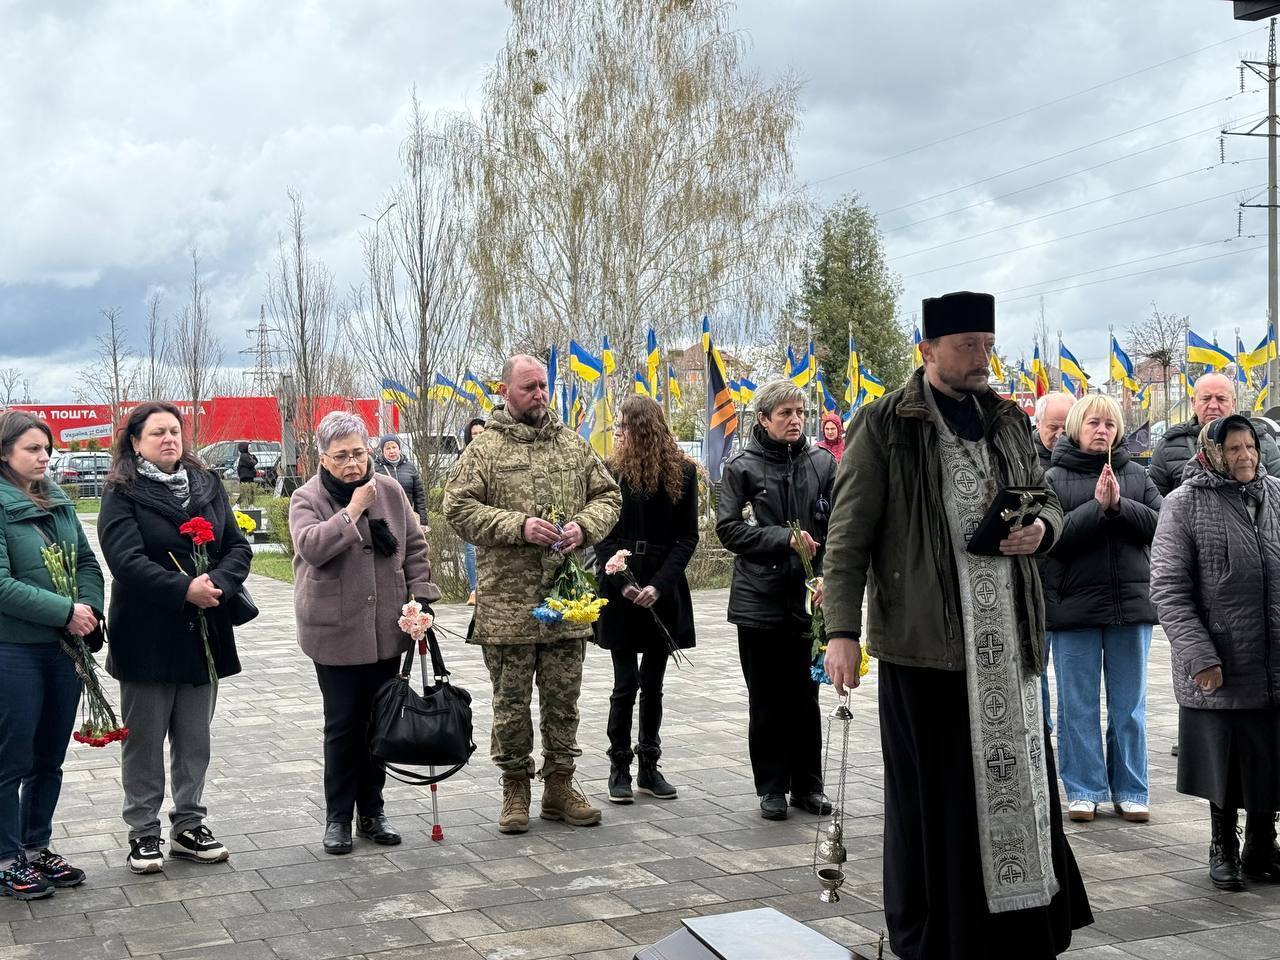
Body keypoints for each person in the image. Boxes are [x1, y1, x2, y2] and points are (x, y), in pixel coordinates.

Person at [823, 291, 1091, 959]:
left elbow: (1047, 498)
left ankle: (1022, 928)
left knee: (1020, 785)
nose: (982, 357)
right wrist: (840, 632)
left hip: (1013, 643)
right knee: (934, 804)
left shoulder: (1004, 418)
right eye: (967, 344)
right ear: (928, 350)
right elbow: (848, 535)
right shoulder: (886, 423)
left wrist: (1041, 529)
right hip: (928, 649)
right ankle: (938, 937)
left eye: (987, 343)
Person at [443, 355, 621, 834]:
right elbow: (456, 507)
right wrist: (517, 525)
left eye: (544, 386)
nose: (539, 395)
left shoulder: (572, 445)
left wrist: (583, 528)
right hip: (508, 606)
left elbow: (609, 497)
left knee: (564, 701)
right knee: (511, 704)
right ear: (505, 391)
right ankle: (515, 787)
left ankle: (560, 785)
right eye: (528, 387)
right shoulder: (485, 451)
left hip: (566, 603)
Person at [99, 401, 252, 874]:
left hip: (204, 632)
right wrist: (183, 588)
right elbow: (124, 559)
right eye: (157, 433)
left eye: (174, 431)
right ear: (136, 441)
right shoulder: (122, 492)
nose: (169, 439)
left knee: (193, 737)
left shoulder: (207, 485)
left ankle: (189, 823)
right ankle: (143, 832)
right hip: (147, 632)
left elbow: (238, 547)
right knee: (143, 739)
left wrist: (218, 585)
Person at [289, 411, 441, 855]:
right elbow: (313, 547)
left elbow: (414, 546)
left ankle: (372, 812)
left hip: (386, 629)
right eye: (341, 457)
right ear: (322, 457)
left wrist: (421, 597)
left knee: (380, 723)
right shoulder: (307, 497)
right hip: (334, 632)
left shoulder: (391, 490)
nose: (353, 464)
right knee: (342, 726)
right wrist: (353, 510)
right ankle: (338, 818)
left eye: (358, 452)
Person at [1150, 415, 1280, 891]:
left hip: (1273, 656)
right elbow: (1167, 588)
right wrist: (1199, 656)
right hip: (1221, 659)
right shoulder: (1183, 503)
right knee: (1225, 762)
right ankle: (1223, 844)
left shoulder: (1276, 494)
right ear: (1212, 452)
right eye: (1234, 449)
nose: (1245, 457)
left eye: (1250, 447)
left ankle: (1263, 847)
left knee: (1272, 754)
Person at [716, 379, 837, 821]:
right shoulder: (742, 466)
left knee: (807, 696)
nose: (795, 420)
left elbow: (839, 525)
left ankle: (809, 785)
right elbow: (728, 529)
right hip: (759, 600)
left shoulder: (822, 461)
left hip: (810, 600)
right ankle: (771, 786)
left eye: (800, 412)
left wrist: (829, 575)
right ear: (763, 419)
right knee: (766, 698)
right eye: (784, 413)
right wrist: (782, 539)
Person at [1042, 394, 1161, 825]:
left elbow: (1160, 527)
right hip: (1074, 608)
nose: (1102, 431)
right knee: (1077, 705)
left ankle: (1131, 788)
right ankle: (1084, 789)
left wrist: (1119, 506)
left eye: (1110, 424)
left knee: (1129, 706)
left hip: (1130, 607)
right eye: (1093, 423)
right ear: (1076, 427)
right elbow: (1051, 538)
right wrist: (1096, 508)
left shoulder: (1137, 474)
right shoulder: (1052, 477)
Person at [0, 411, 105, 900]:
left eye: (48, 449)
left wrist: (90, 610)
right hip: (13, 648)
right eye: (32, 450)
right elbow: (1, 586)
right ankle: (5, 857)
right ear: (4, 453)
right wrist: (66, 611)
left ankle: (36, 845)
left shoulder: (58, 500)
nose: (44, 457)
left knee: (49, 757)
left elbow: (85, 561)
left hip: (62, 649)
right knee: (11, 757)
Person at [594, 396, 698, 805]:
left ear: (642, 426)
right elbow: (602, 533)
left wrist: (659, 584)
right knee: (626, 683)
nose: (618, 431)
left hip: (663, 585)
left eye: (623, 424)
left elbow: (687, 536)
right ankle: (618, 765)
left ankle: (649, 765)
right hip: (621, 584)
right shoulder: (611, 472)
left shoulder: (684, 473)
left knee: (653, 682)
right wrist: (622, 582)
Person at [1149, 372, 1280, 496]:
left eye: (1221, 399)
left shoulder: (1264, 442)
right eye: (1206, 399)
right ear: (1193, 402)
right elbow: (1158, 505)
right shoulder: (1169, 445)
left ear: (1233, 403)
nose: (1213, 405)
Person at [1032, 392, 1076, 730]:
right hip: (1037, 582)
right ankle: (1042, 732)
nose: (1060, 434)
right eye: (1053, 427)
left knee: (1073, 681)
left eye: (1067, 426)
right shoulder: (1025, 459)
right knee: (1037, 670)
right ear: (1038, 424)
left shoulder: (1084, 459)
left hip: (1074, 587)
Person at [374, 434, 427, 525]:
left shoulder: (410, 467)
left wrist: (423, 521)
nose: (392, 451)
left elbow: (419, 496)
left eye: (394, 447)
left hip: (407, 516)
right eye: (388, 448)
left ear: (399, 449)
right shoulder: (375, 469)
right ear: (382, 451)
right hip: (385, 518)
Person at [461, 418, 486, 605]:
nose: (477, 436)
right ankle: (474, 590)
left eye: (480, 432)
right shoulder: (464, 457)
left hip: (490, 510)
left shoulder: (495, 453)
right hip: (471, 510)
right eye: (474, 434)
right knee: (470, 550)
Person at [1033, 394, 1075, 471]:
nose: (1059, 436)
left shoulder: (1089, 456)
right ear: (1038, 423)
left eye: (1066, 428)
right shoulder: (1022, 462)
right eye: (1053, 428)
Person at [235, 442, 258, 507]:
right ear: (244, 448)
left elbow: (255, 461)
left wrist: (254, 458)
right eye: (249, 448)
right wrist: (254, 459)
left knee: (251, 491)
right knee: (245, 491)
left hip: (249, 476)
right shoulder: (244, 456)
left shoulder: (248, 455)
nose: (250, 449)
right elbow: (252, 463)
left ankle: (251, 504)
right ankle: (238, 504)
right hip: (245, 477)